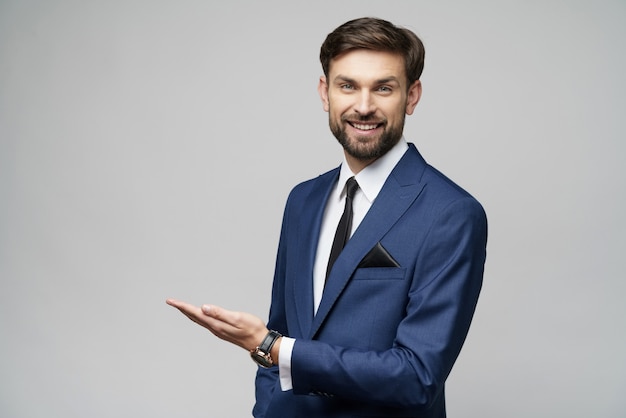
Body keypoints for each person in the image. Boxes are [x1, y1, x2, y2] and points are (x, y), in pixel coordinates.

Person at [167, 17, 487, 418]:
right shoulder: (302, 200)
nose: (364, 105)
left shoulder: (451, 213)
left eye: (383, 88)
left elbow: (417, 376)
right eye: (347, 85)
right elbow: (282, 329)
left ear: (412, 96)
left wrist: (271, 346)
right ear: (325, 92)